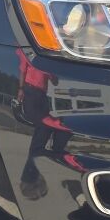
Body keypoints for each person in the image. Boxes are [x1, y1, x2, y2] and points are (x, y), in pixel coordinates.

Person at [14, 49, 72, 200]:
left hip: (41, 95)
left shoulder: (46, 62)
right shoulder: (29, 54)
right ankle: (33, 172)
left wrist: (51, 72)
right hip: (30, 91)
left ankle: (48, 156)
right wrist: (20, 89)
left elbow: (55, 81)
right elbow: (22, 70)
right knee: (46, 125)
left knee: (45, 130)